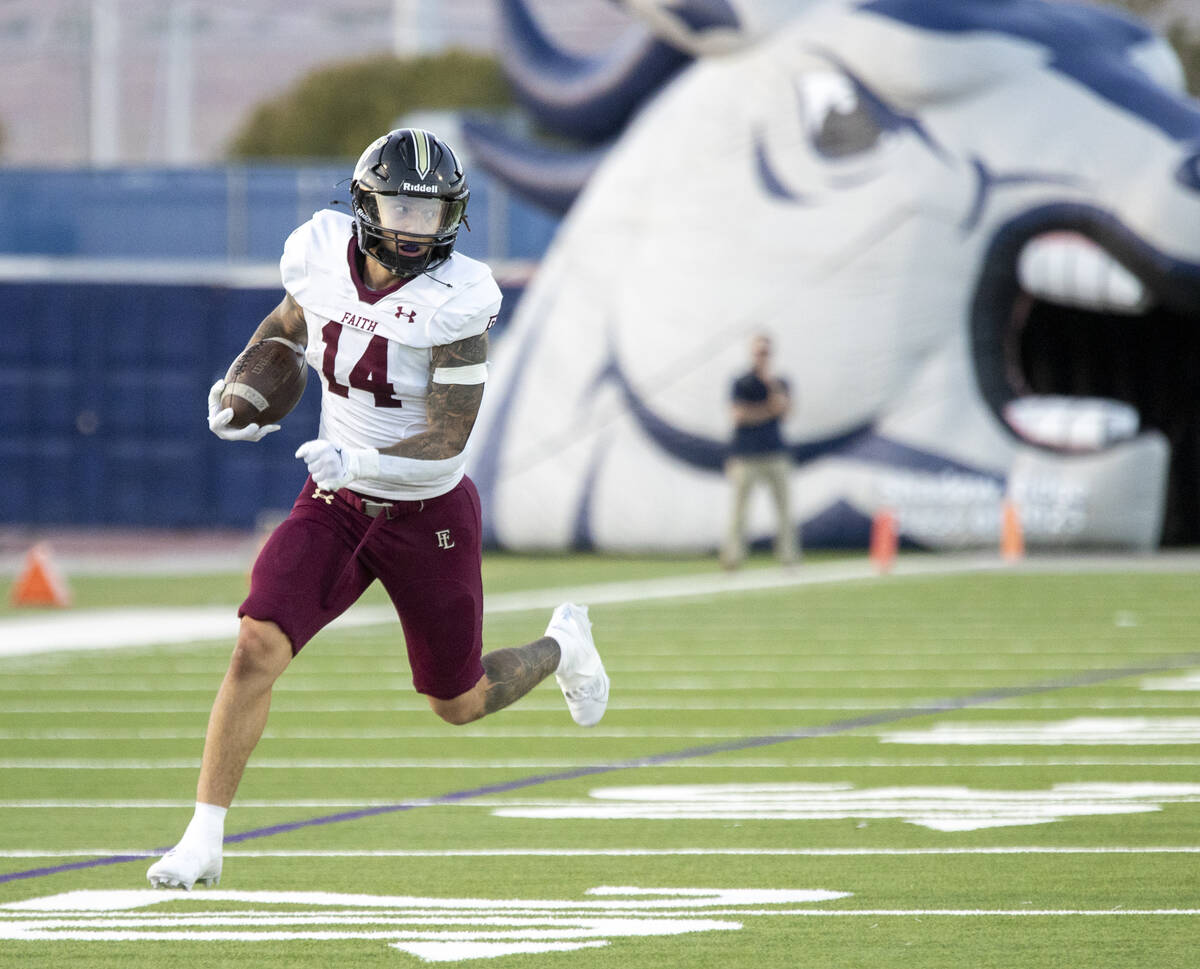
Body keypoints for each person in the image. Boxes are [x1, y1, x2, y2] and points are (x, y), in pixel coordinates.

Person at [147, 128, 610, 890]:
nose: (412, 226)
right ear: (364, 205)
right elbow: (289, 326)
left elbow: (452, 434)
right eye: (399, 205)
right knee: (255, 643)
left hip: (427, 514)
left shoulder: (459, 298)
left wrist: (361, 458)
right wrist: (241, 386)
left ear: (452, 217)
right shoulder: (320, 251)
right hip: (334, 501)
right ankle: (203, 837)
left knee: (456, 702)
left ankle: (564, 645)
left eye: (429, 212)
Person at [719, 333, 798, 569]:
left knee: (784, 510)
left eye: (765, 352)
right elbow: (738, 416)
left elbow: (784, 412)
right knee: (739, 511)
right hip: (746, 454)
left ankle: (789, 557)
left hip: (775, 452)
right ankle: (732, 558)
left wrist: (770, 384)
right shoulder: (741, 382)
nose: (761, 356)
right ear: (751, 353)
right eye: (758, 352)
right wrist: (767, 410)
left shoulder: (779, 382)